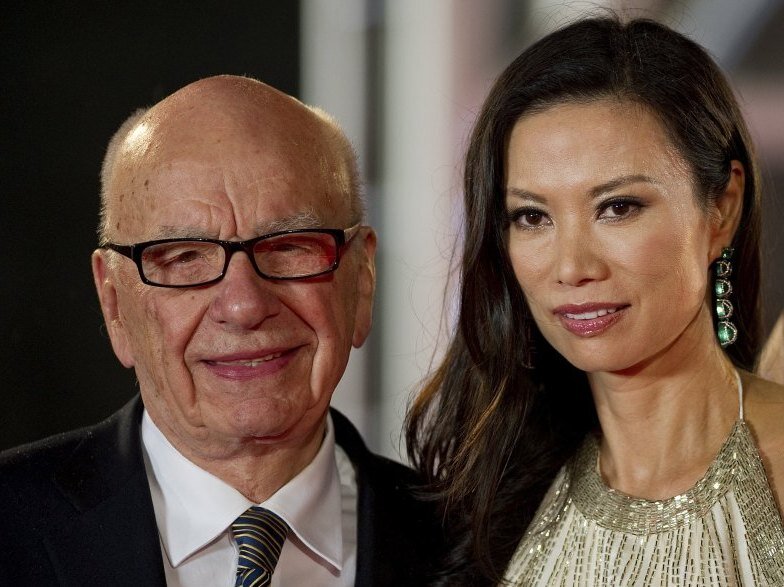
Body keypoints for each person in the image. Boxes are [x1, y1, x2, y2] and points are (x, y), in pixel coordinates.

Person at [0, 75, 442, 586]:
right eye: (184, 257)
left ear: (361, 280)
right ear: (114, 302)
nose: (244, 305)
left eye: (289, 246)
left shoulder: (479, 549)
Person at [405, 15, 784, 586]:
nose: (572, 268)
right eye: (532, 217)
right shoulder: (493, 496)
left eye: (618, 207)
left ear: (722, 209)